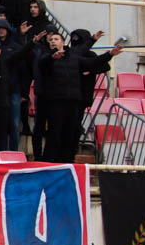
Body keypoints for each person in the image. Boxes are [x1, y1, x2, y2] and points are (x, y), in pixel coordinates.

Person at [38, 31, 123, 163]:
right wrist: (52, 57)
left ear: (63, 43)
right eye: (51, 40)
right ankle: (49, 162)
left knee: (70, 133)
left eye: (56, 39)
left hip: (73, 101)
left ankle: (67, 162)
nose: (53, 41)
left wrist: (109, 54)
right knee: (55, 133)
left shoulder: (74, 57)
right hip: (56, 101)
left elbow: (93, 62)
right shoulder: (46, 57)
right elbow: (42, 65)